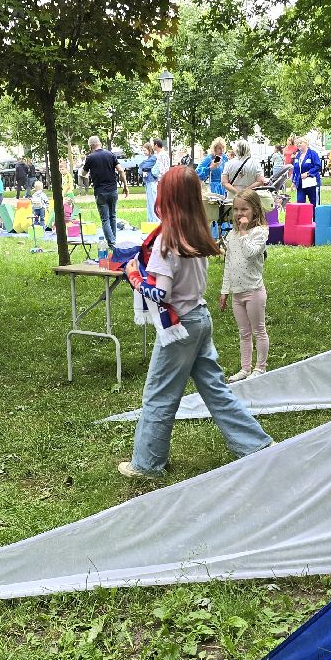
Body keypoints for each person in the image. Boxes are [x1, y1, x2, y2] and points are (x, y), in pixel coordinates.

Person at [118, 167, 273, 479]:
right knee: (216, 389)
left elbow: (161, 294)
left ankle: (146, 464)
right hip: (200, 319)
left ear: (166, 198)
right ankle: (257, 444)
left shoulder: (166, 241)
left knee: (158, 394)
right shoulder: (197, 234)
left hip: (179, 327)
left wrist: (134, 277)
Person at [218, 189, 270, 382]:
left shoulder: (260, 232)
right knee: (244, 333)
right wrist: (225, 291)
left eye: (244, 209)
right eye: (236, 209)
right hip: (237, 294)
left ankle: (260, 367)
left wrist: (243, 232)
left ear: (254, 210)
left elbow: (249, 253)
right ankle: (245, 369)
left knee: (259, 330)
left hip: (253, 291)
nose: (239, 213)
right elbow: (229, 264)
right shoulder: (232, 235)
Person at [82, 135, 128, 248]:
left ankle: (112, 243)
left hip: (100, 191)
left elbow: (83, 173)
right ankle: (114, 241)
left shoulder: (90, 157)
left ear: (91, 146)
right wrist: (125, 186)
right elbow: (121, 170)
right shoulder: (110, 154)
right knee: (113, 216)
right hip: (113, 190)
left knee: (105, 219)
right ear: (100, 143)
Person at [291, 137, 323, 205]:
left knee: (314, 204)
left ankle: (315, 213)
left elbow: (318, 166)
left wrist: (308, 173)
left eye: (300, 143)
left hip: (312, 183)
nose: (299, 144)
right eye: (297, 143)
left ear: (306, 143)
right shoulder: (297, 155)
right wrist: (294, 181)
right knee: (300, 203)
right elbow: (295, 169)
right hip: (300, 184)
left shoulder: (313, 153)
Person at [139, 141, 159, 223]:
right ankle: (150, 220)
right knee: (149, 202)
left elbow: (142, 166)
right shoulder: (148, 159)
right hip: (147, 181)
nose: (144, 152)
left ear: (149, 149)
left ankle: (155, 220)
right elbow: (140, 169)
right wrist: (143, 168)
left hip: (151, 181)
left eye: (145, 150)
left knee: (153, 201)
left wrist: (143, 167)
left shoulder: (153, 158)